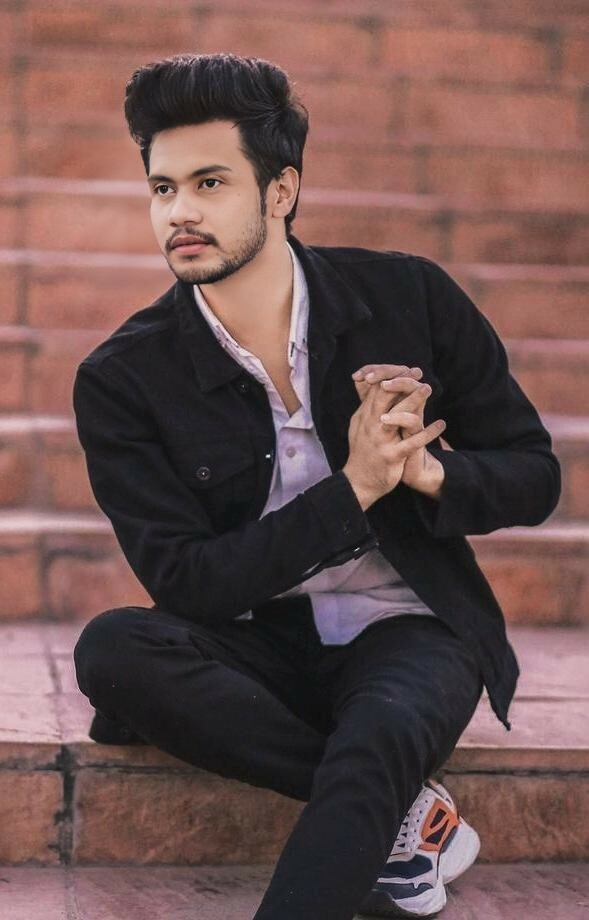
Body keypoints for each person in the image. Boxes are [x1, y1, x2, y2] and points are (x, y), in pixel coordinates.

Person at [72, 53, 561, 920]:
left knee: (380, 730)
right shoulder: (123, 377)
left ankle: (373, 795)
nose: (180, 212)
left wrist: (427, 473)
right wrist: (354, 488)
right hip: (256, 641)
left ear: (280, 190)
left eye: (210, 182)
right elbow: (187, 584)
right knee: (112, 648)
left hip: (410, 628)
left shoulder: (407, 296)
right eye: (162, 188)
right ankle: (405, 813)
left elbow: (534, 475)